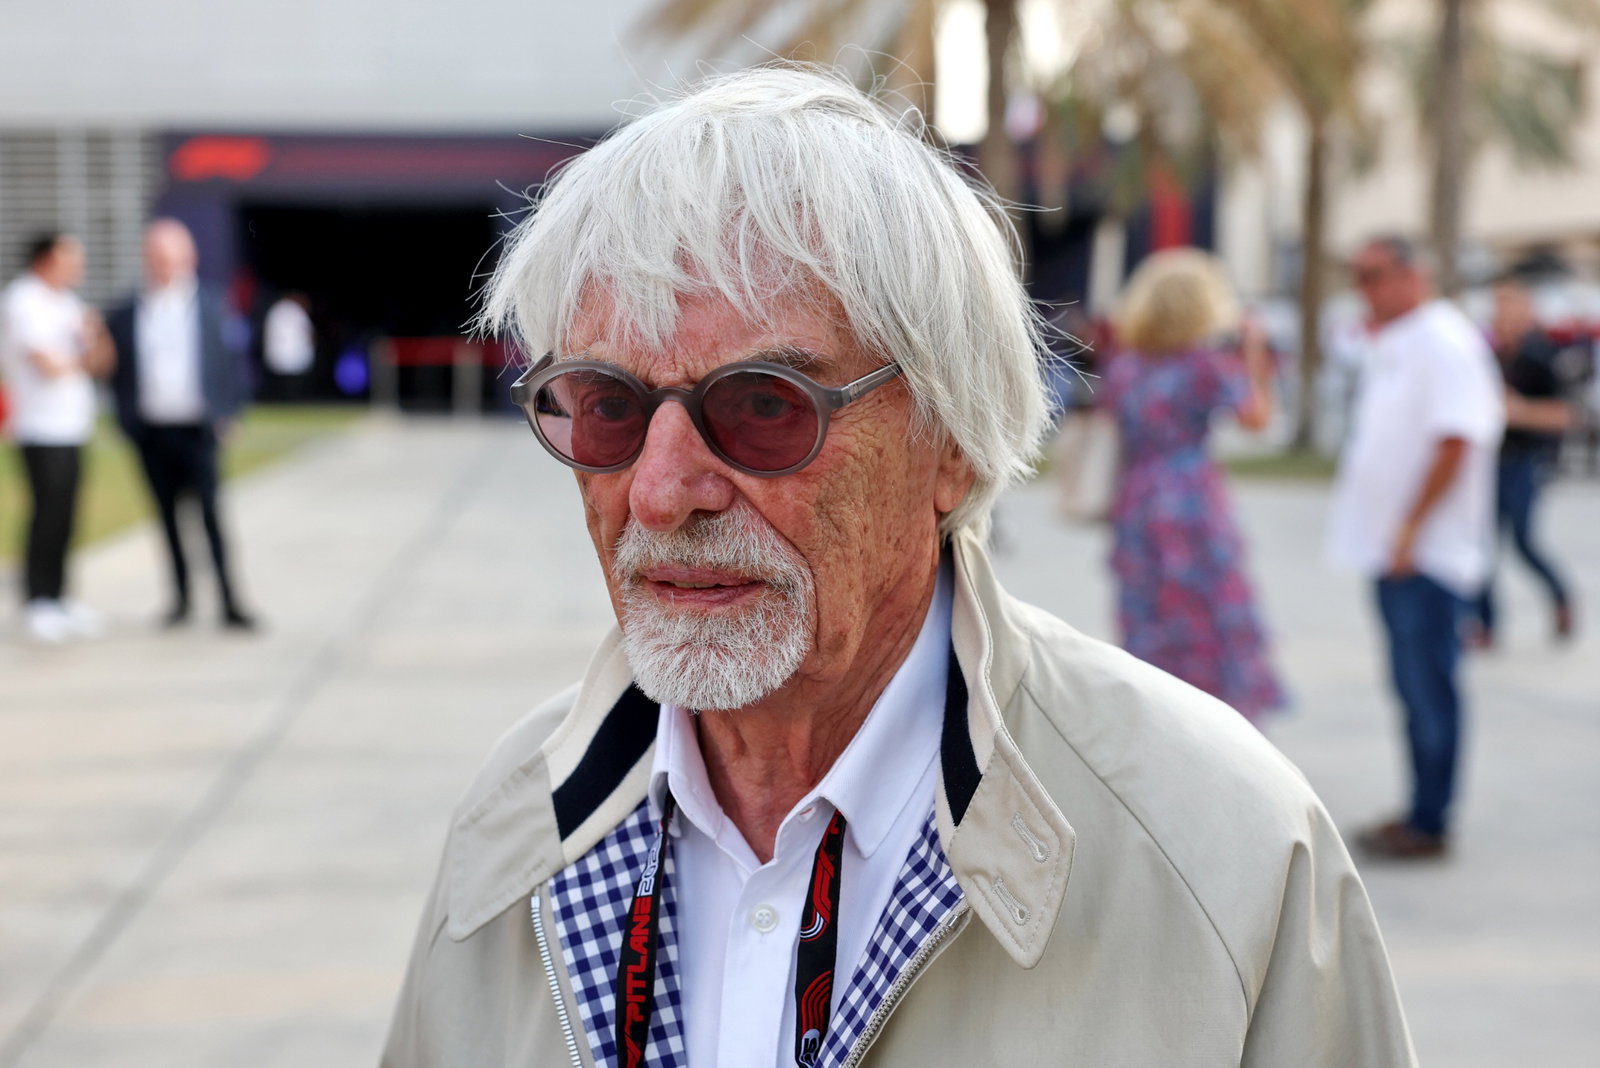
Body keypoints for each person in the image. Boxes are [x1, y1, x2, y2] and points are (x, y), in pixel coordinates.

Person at [383, 68, 1414, 1067]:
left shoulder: (1220, 850)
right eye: (607, 406)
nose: (660, 492)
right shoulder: (512, 828)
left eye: (761, 406)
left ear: (950, 440)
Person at [1328, 235, 1505, 860]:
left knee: (1428, 685)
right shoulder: (1399, 340)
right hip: (1395, 550)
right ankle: (1421, 809)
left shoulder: (1444, 340)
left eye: (1375, 274)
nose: (1364, 287)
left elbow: (1457, 439)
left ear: (1413, 274)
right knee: (1411, 685)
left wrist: (1410, 528)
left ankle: (1430, 820)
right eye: (1358, 274)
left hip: (1424, 555)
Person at [1101, 248, 1286, 725]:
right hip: (1190, 497)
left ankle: (1160, 711)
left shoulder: (1126, 364)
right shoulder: (1204, 364)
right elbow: (1256, 418)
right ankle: (1218, 711)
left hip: (1139, 496)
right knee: (1207, 604)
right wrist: (1254, 357)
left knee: (1149, 608)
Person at [107, 218, 258, 630]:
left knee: (210, 517)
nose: (162, 264)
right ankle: (180, 598)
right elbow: (113, 369)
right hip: (151, 430)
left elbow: (232, 363)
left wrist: (231, 412)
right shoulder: (126, 311)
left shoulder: (212, 304)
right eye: (154, 257)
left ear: (188, 257)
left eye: (169, 256)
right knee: (166, 519)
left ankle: (230, 600)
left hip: (198, 429)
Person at [0, 233, 114, 642]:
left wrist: (92, 342)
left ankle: (61, 596)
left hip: (73, 426)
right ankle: (38, 600)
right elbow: (48, 364)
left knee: (68, 514)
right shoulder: (23, 299)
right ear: (48, 259)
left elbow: (102, 359)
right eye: (71, 257)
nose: (79, 265)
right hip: (38, 427)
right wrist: (83, 354)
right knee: (45, 512)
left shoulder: (69, 304)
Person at [1469, 275, 1576, 645]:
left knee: (1524, 541)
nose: (1502, 311)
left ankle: (1561, 597)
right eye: (1498, 303)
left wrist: (1518, 410)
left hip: (1523, 459)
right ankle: (1484, 623)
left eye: (1510, 302)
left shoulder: (1542, 355)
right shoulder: (1488, 352)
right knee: (1481, 544)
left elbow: (1565, 415)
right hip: (1485, 461)